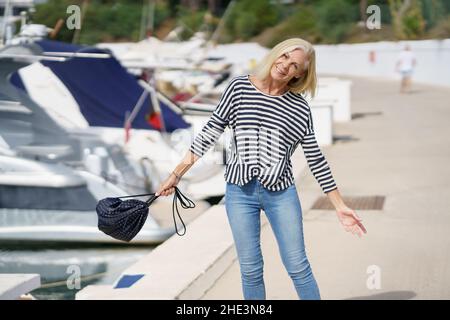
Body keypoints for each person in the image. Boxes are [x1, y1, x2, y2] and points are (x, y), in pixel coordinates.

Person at [155, 38, 367, 300]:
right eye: (284, 57)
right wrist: (176, 174)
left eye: (294, 65)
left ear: (300, 74)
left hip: (281, 194)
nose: (286, 65)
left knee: (298, 266)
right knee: (251, 270)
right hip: (239, 194)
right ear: (276, 54)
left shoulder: (298, 107)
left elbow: (315, 158)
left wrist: (339, 205)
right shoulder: (239, 88)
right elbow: (208, 134)